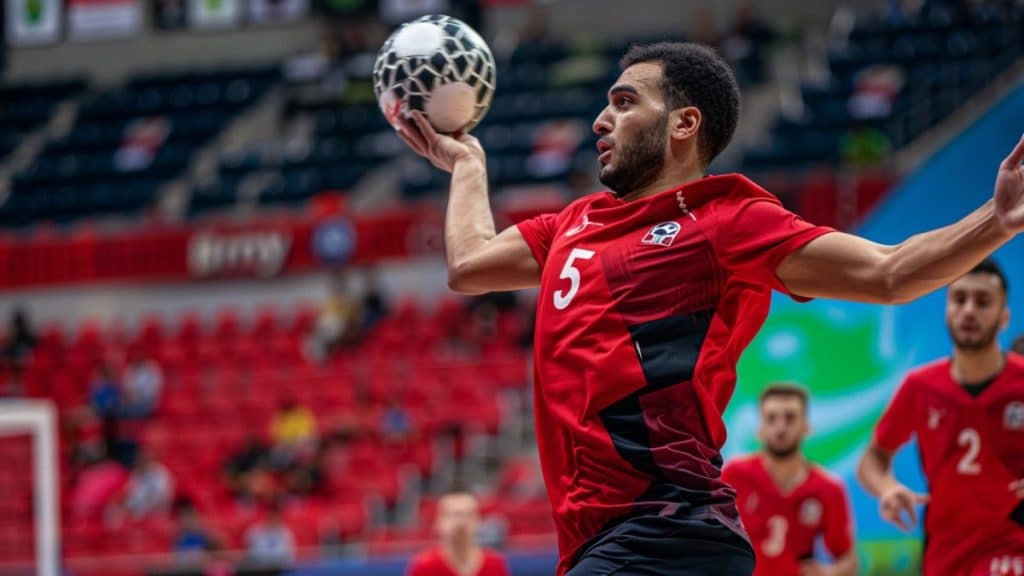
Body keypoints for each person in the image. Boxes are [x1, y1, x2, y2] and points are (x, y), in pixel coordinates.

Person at [394, 40, 1024, 575]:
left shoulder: (729, 219)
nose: (598, 120)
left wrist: (995, 220)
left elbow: (890, 272)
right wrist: (467, 163)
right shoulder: (574, 223)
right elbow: (469, 265)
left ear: (683, 125)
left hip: (667, 529)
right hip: (602, 541)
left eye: (623, 102)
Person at [857, 259, 1024, 576]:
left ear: (1004, 318)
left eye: (983, 301)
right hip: (945, 554)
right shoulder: (920, 386)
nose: (969, 310)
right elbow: (873, 458)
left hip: (1011, 544)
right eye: (960, 299)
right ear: (947, 310)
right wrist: (888, 488)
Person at [723, 384, 857, 576]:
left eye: (790, 417)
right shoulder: (734, 475)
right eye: (771, 418)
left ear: (806, 427)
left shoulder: (828, 488)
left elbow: (848, 559)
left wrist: (831, 572)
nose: (780, 427)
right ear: (760, 428)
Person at [406, 492, 509, 576]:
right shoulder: (425, 566)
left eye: (468, 515)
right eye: (453, 515)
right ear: (438, 522)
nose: (461, 522)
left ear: (478, 521)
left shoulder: (495, 564)